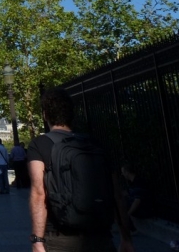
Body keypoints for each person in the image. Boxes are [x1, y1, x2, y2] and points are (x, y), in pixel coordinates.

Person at [28, 87, 134, 252]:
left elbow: (39, 193)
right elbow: (116, 194)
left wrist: (37, 240)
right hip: (100, 234)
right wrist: (126, 237)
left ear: (45, 115)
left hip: (60, 236)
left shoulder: (40, 144)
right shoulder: (95, 143)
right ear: (72, 114)